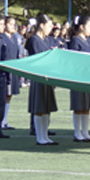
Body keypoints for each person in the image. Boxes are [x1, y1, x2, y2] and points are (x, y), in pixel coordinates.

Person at [26, 13, 59, 145]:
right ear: (41, 25)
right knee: (40, 108)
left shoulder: (46, 40)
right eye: (49, 25)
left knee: (46, 108)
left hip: (47, 78)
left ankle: (45, 135)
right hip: (39, 77)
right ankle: (40, 137)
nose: (51, 28)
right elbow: (38, 59)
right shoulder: (34, 40)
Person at [68, 15, 90, 142]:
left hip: (88, 78)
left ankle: (85, 132)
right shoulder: (76, 41)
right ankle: (77, 133)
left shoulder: (87, 40)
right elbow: (75, 61)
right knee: (79, 106)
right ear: (81, 27)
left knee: (87, 106)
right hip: (79, 78)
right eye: (89, 26)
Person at [0, 17, 20, 130]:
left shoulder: (14, 38)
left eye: (14, 24)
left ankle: (4, 120)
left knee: (9, 95)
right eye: (10, 24)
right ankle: (0, 121)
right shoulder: (2, 38)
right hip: (5, 71)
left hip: (12, 70)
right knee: (3, 96)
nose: (13, 26)